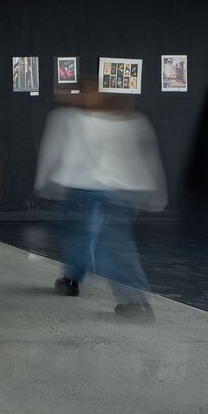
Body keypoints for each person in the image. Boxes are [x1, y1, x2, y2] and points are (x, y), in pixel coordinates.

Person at [35, 78, 165, 319]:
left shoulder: (68, 118)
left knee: (90, 241)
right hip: (113, 192)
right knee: (108, 244)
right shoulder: (123, 119)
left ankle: (82, 283)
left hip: (86, 190)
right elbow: (140, 156)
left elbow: (54, 151)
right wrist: (149, 191)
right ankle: (130, 298)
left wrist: (44, 181)